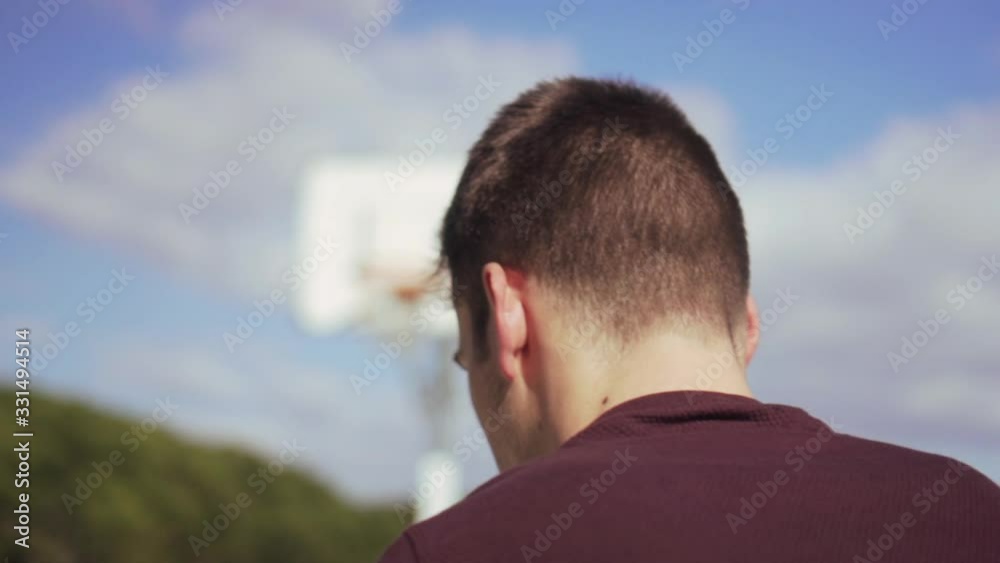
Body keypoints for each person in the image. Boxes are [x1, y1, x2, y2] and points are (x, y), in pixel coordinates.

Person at [379, 77, 1000, 562]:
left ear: (507, 318)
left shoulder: (452, 550)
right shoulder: (970, 512)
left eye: (464, 357)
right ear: (746, 326)